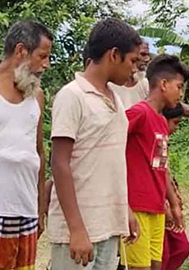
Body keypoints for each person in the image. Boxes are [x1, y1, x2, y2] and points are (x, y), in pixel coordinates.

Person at [49, 18, 143, 270]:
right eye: (132, 61)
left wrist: (124, 209)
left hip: (107, 226)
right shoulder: (72, 96)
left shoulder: (115, 99)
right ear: (114, 55)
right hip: (78, 232)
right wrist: (77, 229)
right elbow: (59, 164)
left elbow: (110, 162)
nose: (134, 70)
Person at [0, 20, 53, 270]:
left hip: (26, 214)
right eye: (42, 56)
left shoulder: (37, 96)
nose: (46, 65)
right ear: (21, 51)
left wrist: (40, 209)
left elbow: (38, 153)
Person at [120, 55, 188, 270]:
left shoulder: (160, 120)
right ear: (164, 84)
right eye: (179, 86)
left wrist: (173, 204)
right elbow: (108, 144)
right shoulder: (138, 113)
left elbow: (162, 167)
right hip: (137, 206)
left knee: (157, 265)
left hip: (156, 208)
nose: (181, 93)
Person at [109, 41, 189, 134]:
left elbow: (171, 101)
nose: (147, 59)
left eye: (148, 54)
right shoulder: (110, 87)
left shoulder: (145, 84)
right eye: (142, 54)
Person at [160, 105, 189, 270]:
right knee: (162, 254)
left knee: (181, 248)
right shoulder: (154, 140)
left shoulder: (164, 141)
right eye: (175, 123)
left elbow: (165, 172)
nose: (176, 128)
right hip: (159, 201)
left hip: (168, 198)